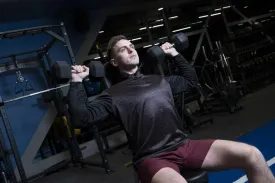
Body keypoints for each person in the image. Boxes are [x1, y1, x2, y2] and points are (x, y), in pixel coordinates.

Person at [68, 35, 275, 183]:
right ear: (113, 62)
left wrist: (174, 54)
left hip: (184, 146)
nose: (131, 49)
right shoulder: (112, 95)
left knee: (253, 155)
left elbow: (191, 80)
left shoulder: (159, 81)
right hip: (152, 158)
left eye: (131, 45)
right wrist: (76, 82)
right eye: (123, 49)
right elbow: (81, 118)